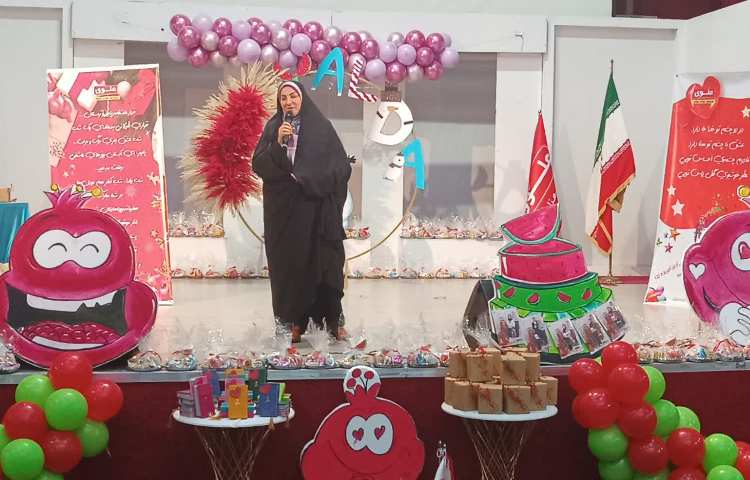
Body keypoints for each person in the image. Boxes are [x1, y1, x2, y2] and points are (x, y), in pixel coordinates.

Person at [252, 81, 351, 342]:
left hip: (316, 210)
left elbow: (341, 166)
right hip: (286, 212)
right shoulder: (274, 127)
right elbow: (259, 164)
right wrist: (277, 144)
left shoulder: (321, 128)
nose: (288, 102)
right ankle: (293, 321)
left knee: (326, 264)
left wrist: (311, 178)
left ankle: (332, 320)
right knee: (290, 266)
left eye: (293, 96)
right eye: (283, 98)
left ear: (302, 98)